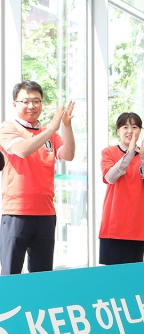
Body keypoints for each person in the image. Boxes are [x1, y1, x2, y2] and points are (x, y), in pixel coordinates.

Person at [0, 80, 75, 275]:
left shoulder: (48, 133)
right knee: (11, 274)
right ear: (14, 104)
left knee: (42, 276)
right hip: (17, 211)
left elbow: (68, 154)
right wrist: (51, 129)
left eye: (36, 101)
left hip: (46, 213)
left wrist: (66, 126)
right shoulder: (9, 127)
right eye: (25, 101)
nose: (31, 106)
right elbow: (22, 151)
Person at [99, 113, 144, 265]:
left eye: (134, 127)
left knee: (133, 278)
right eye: (125, 127)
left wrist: (143, 157)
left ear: (140, 131)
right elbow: (110, 177)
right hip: (113, 226)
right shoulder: (109, 152)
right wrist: (130, 153)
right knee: (111, 276)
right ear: (118, 130)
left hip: (136, 227)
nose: (130, 131)